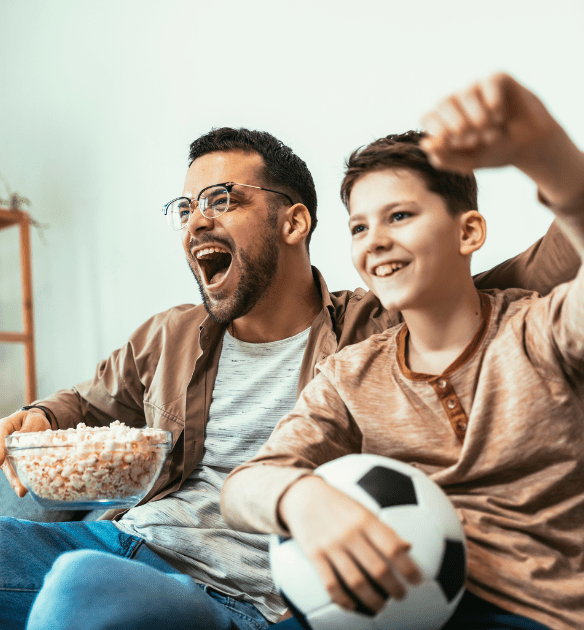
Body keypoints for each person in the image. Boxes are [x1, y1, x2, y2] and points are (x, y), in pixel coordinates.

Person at [0, 75, 579, 629]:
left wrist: (541, 150)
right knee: (68, 570)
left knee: (80, 588)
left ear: (294, 221)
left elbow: (539, 266)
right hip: (130, 541)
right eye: (184, 208)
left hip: (246, 591)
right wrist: (43, 416)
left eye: (221, 199)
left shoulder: (378, 326)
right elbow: (89, 401)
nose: (195, 221)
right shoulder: (170, 334)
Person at [220, 73, 584, 630]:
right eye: (359, 227)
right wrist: (301, 498)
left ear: (468, 233)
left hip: (535, 612)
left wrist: (545, 154)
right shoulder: (350, 374)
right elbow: (244, 486)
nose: (374, 241)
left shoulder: (543, 329)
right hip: (391, 608)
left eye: (400, 216)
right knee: (92, 590)